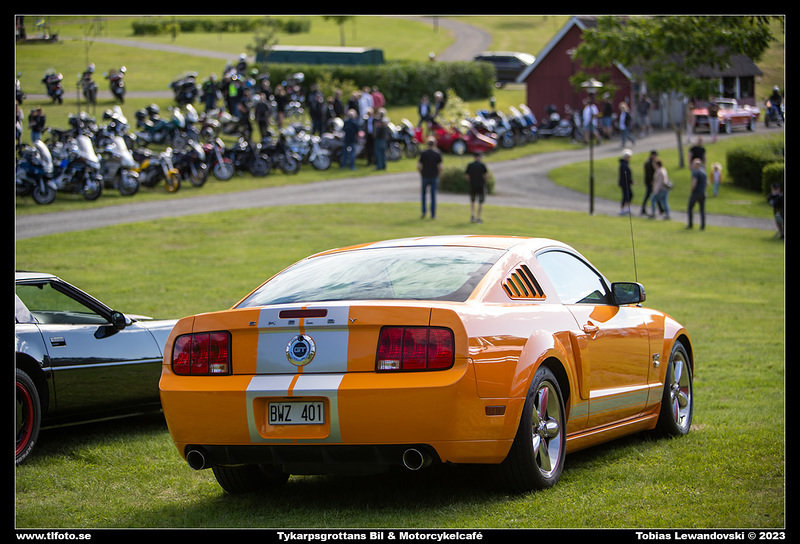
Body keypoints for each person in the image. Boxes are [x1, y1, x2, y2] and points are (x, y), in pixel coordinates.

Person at [417, 137, 442, 219]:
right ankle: (433, 214)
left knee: (423, 195)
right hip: (434, 176)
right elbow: (440, 167)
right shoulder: (437, 153)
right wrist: (438, 175)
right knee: (433, 196)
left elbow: (419, 166)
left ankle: (423, 212)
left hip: (425, 176)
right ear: (434, 144)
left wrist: (421, 174)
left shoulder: (423, 153)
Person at [465, 152, 489, 223]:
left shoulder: (470, 165)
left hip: (472, 185)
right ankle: (478, 217)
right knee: (480, 202)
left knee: (472, 201)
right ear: (479, 157)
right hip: (481, 185)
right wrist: (485, 182)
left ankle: (472, 215)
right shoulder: (482, 165)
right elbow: (486, 175)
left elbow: (467, 176)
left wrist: (470, 181)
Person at [687, 158, 708, 230]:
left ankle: (690, 224)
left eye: (693, 164)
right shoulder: (704, 172)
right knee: (702, 210)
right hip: (703, 193)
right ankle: (702, 226)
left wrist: (691, 189)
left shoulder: (695, 172)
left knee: (690, 208)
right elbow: (707, 183)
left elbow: (694, 183)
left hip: (696, 193)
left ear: (696, 165)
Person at [640, 150, 659, 216]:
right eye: (655, 155)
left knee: (653, 195)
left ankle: (661, 208)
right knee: (649, 195)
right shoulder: (648, 163)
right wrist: (652, 182)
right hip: (649, 182)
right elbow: (649, 174)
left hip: (652, 182)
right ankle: (643, 208)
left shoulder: (652, 162)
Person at [618, 148, 634, 215]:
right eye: (628, 157)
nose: (629, 158)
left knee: (629, 195)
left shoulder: (624, 164)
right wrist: (631, 181)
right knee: (625, 196)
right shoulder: (623, 165)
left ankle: (627, 208)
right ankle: (622, 209)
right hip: (625, 183)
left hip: (626, 183)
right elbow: (626, 175)